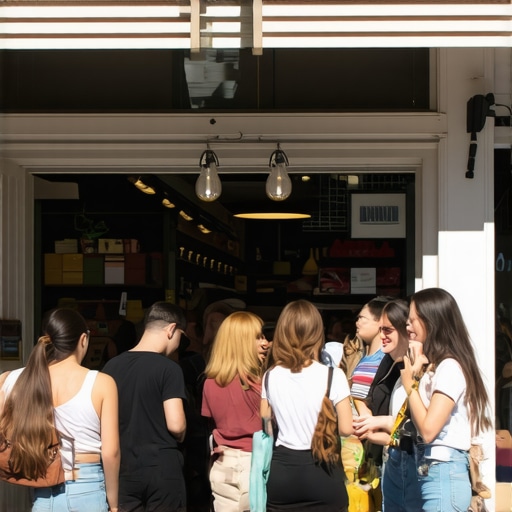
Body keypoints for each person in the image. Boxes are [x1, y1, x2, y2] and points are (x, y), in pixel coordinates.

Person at [0, 308, 120, 512]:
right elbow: (111, 452)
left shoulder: (9, 380)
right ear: (84, 339)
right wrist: (114, 505)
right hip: (87, 489)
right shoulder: (101, 383)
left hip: (41, 493)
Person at [403, 288, 492, 512]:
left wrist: (410, 385)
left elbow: (429, 429)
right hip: (437, 473)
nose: (407, 326)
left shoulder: (450, 367)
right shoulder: (439, 366)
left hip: (444, 474)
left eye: (413, 320)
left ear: (431, 322)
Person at [261, 300, 353, 512]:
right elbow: (346, 429)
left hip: (282, 475)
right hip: (323, 473)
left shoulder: (270, 376)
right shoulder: (333, 376)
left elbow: (266, 426)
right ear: (316, 332)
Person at [102, 301, 188, 512]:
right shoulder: (169, 369)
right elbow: (176, 425)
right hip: (161, 469)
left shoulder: (111, 367)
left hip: (123, 469)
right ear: (171, 329)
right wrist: (184, 433)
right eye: (180, 337)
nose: (179, 345)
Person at [352, 299, 421, 511]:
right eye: (381, 329)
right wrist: (369, 428)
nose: (382, 336)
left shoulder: (419, 371)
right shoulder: (390, 366)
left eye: (388, 330)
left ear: (404, 329)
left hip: (412, 469)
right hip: (389, 464)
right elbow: (399, 434)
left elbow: (417, 429)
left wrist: (375, 422)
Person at [201, 311, 271, 512]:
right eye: (258, 337)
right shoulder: (264, 383)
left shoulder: (210, 383)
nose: (265, 343)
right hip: (256, 465)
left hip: (223, 467)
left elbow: (211, 423)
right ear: (241, 342)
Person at [350, 297, 392, 414]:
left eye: (362, 318)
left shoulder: (386, 359)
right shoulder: (362, 356)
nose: (357, 323)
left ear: (381, 321)